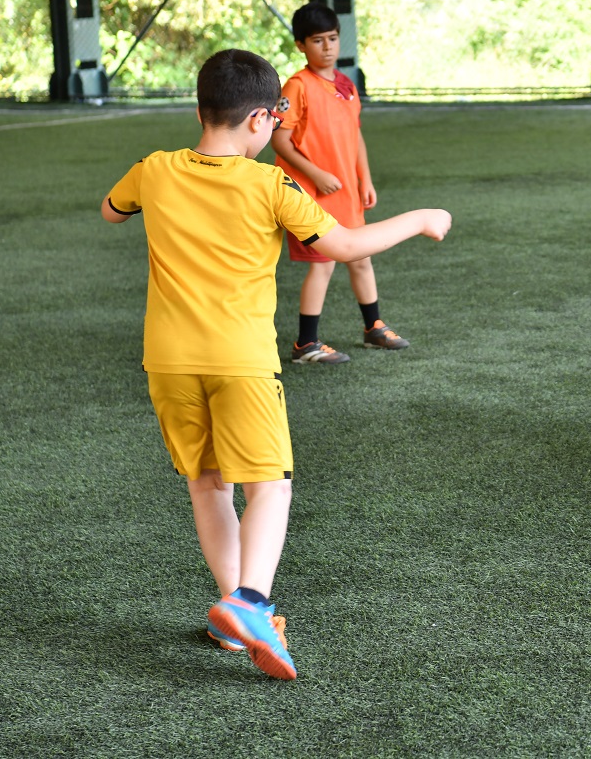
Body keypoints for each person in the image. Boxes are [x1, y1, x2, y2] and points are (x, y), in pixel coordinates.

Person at [101, 49, 451, 679]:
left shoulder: (154, 170)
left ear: (200, 109)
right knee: (271, 485)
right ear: (263, 120)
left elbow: (110, 209)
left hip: (169, 363)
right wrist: (421, 219)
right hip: (240, 361)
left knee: (208, 482)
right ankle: (252, 602)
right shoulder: (269, 185)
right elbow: (342, 245)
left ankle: (234, 616)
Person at [271, 2, 406, 364]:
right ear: (301, 44)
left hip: (346, 191)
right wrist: (315, 173)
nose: (328, 47)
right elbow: (279, 139)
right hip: (314, 194)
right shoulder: (297, 87)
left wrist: (365, 178)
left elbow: (355, 135)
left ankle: (373, 327)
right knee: (324, 263)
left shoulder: (346, 85)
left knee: (361, 257)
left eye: (332, 38)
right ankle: (306, 344)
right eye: (318, 40)